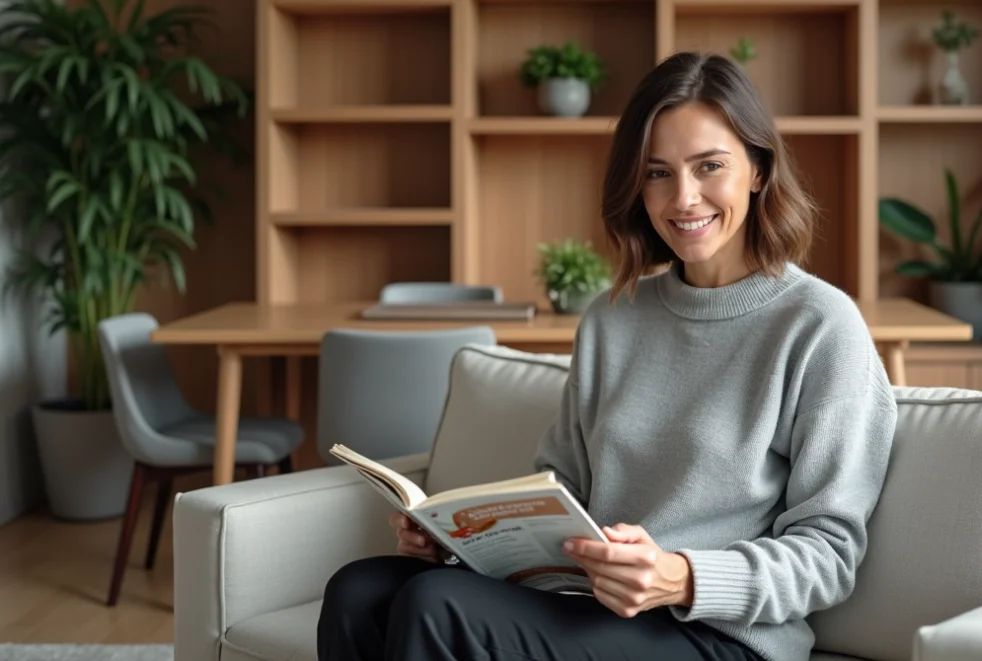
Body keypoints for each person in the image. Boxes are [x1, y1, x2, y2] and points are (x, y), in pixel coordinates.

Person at [316, 51, 898, 661]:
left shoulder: (819, 325)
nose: (684, 198)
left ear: (757, 169)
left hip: (716, 636)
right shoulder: (612, 318)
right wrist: (461, 540)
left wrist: (681, 575)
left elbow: (830, 555)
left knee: (434, 606)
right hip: (592, 604)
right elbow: (559, 488)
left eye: (710, 167)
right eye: (658, 173)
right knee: (359, 590)